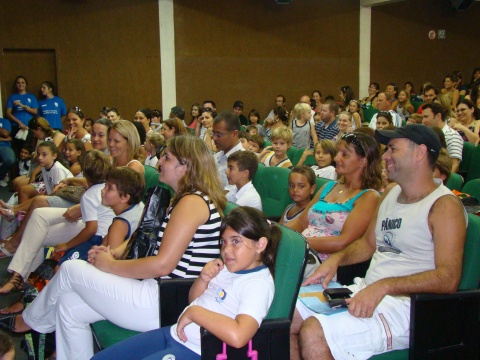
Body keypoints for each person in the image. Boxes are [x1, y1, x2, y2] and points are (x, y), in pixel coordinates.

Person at [1, 135, 227, 360]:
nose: (159, 162)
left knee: (70, 270)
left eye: (166, 158)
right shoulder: (188, 199)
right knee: (68, 306)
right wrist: (116, 253)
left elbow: (163, 265)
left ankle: (27, 322)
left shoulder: (192, 202)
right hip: (162, 293)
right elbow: (155, 242)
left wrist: (110, 266)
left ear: (184, 166)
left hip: (165, 301)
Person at [294, 124, 466, 360]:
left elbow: (448, 278)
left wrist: (384, 286)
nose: (385, 157)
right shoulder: (390, 193)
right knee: (288, 314)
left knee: (313, 331)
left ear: (420, 153)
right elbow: (367, 245)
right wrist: (336, 260)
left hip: (407, 308)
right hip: (367, 291)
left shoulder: (444, 206)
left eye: (393, 149)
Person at [91, 206, 278, 360]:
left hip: (198, 351)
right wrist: (203, 279)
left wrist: (195, 313)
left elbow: (239, 336)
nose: (226, 250)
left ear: (260, 245)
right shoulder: (229, 268)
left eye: (236, 241)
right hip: (174, 335)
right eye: (223, 242)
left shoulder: (258, 284)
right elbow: (194, 299)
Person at [0, 150, 115, 294]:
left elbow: (91, 228)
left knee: (39, 233)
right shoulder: (103, 188)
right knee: (38, 216)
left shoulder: (91, 195)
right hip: (93, 225)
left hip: (94, 233)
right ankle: (23, 278)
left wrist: (67, 245)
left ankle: (20, 278)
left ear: (85, 173)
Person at [286, 132, 381, 263]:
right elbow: (301, 222)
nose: (336, 158)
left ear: (363, 161)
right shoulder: (329, 186)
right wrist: (279, 234)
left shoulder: (368, 197)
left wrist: (294, 242)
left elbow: (342, 242)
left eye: (345, 154)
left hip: (325, 262)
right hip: (299, 250)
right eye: (338, 153)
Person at [421, 102, 463, 173]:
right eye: (422, 117)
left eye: (426, 117)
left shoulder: (452, 136)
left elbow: (454, 165)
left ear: (438, 116)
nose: (423, 121)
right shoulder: (426, 134)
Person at [5, 75, 38, 152]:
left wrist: (22, 105)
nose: (21, 84)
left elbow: (35, 111)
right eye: (18, 83)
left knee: (28, 148)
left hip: (29, 127)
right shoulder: (12, 97)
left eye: (23, 82)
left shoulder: (31, 96)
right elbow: (8, 113)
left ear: (26, 84)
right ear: (16, 85)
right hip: (16, 126)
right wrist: (19, 123)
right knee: (18, 149)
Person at [213, 111, 245, 189]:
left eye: (219, 134)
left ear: (234, 134)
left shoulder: (242, 161)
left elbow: (230, 195)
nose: (214, 138)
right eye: (213, 134)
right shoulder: (217, 155)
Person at [0, 117, 16, 187]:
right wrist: (4, 139)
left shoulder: (4, 121)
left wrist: (4, 138)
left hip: (4, 147)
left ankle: (1, 177)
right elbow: (6, 137)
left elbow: (6, 133)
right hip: (4, 142)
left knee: (10, 159)